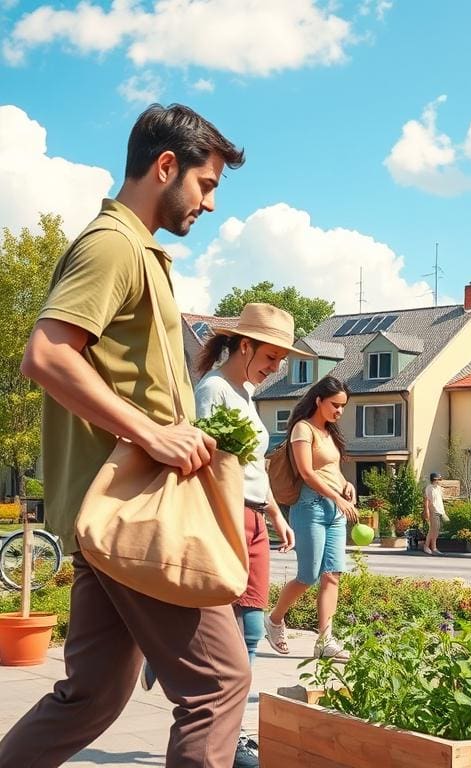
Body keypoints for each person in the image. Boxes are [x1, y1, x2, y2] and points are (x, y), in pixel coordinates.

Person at [2, 104, 249, 768]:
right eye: (206, 184)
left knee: (93, 696)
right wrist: (153, 434)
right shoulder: (113, 244)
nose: (210, 203)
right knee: (220, 685)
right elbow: (47, 355)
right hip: (134, 512)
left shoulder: (137, 250)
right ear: (166, 166)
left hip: (111, 510)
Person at [140, 302, 299, 768]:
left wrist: (275, 513)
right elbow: (205, 466)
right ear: (244, 345)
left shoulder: (244, 393)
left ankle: (224, 725)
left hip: (253, 519)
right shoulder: (212, 391)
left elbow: (252, 466)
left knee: (250, 625)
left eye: (280, 360)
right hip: (226, 516)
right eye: (270, 357)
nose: (276, 368)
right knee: (238, 630)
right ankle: (232, 735)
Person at [264, 376, 358, 661]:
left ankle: (325, 641)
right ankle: (274, 619)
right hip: (311, 508)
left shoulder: (329, 433)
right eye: (335, 405)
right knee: (309, 575)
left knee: (333, 574)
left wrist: (346, 485)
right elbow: (306, 472)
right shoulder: (302, 429)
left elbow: (330, 469)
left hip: (334, 510)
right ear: (319, 400)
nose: (339, 411)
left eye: (343, 406)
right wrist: (337, 498)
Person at [422, 471, 449, 555]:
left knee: (436, 530)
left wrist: (443, 512)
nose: (440, 481)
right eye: (438, 479)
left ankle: (433, 547)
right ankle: (427, 546)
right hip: (433, 511)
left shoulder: (438, 488)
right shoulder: (429, 488)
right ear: (434, 479)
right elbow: (426, 500)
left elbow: (440, 500)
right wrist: (427, 511)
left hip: (440, 511)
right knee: (433, 529)